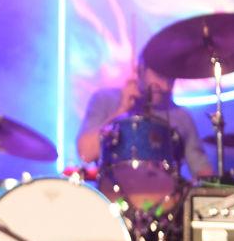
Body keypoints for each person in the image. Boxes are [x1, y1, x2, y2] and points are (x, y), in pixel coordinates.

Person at [76, 62, 213, 179]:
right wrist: (122, 110)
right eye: (160, 76)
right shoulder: (105, 100)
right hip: (111, 200)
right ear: (140, 70)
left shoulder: (182, 117)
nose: (166, 86)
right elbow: (86, 153)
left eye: (171, 79)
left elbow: (202, 171)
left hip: (165, 203)